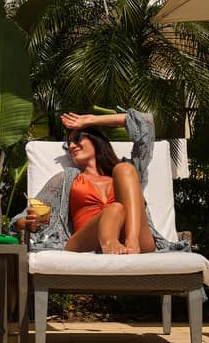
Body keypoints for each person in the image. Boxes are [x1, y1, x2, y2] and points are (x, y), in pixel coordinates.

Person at [17, 109, 186, 255]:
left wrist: (91, 120)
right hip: (85, 241)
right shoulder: (66, 178)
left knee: (124, 169)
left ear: (96, 140)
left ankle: (131, 242)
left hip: (137, 241)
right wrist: (27, 222)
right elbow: (24, 219)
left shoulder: (125, 176)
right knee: (115, 209)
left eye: (78, 138)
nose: (72, 146)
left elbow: (146, 123)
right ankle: (110, 243)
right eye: (69, 144)